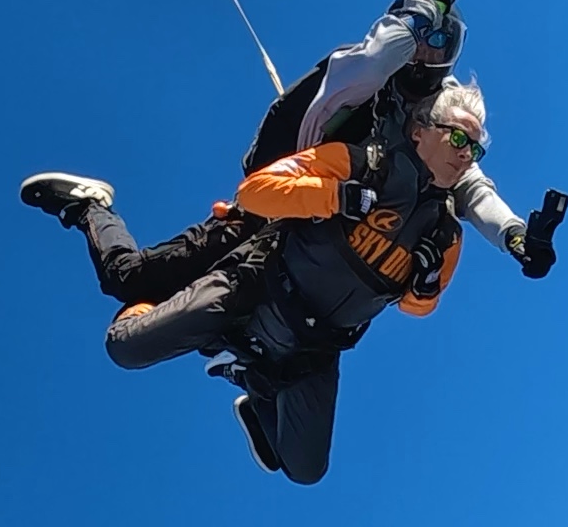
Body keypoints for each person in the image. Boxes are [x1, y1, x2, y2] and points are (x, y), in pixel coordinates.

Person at [20, 0, 563, 299]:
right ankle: (91, 207)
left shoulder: (438, 116)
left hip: (321, 248)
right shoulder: (359, 78)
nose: (426, 55)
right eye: (419, 40)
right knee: (129, 281)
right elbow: (373, 62)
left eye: (440, 46)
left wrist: (514, 236)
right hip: (273, 211)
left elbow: (471, 187)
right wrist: (420, 13)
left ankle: (264, 405)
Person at [76, 78, 491, 483]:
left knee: (305, 471)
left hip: (315, 346)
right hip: (257, 288)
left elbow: (416, 307)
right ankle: (155, 303)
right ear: (420, 132)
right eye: (458, 138)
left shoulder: (444, 233)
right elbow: (256, 191)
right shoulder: (362, 164)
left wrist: (425, 285)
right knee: (125, 346)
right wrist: (336, 196)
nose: (465, 155)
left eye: (474, 149)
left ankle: (256, 394)